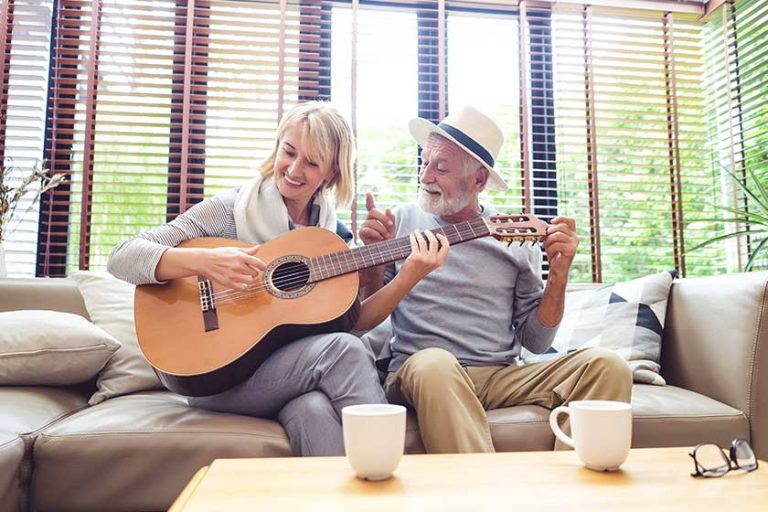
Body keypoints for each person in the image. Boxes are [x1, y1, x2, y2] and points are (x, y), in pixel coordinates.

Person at [108, 101, 447, 456]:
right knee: (343, 350)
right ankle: (391, 470)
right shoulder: (229, 210)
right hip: (215, 376)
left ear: (331, 172)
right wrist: (205, 262)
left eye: (312, 162)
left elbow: (355, 322)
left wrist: (403, 275)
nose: (295, 169)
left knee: (312, 408)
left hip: (285, 375)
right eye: (289, 151)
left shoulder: (329, 236)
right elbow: (122, 256)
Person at [357, 105, 632, 453]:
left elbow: (536, 341)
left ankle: (569, 480)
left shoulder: (514, 236)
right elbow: (365, 317)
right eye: (425, 163)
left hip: (500, 375)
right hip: (422, 371)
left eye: (440, 167)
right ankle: (483, 483)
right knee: (435, 363)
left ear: (478, 180)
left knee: (609, 366)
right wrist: (374, 260)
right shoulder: (398, 221)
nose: (425, 177)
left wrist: (559, 275)